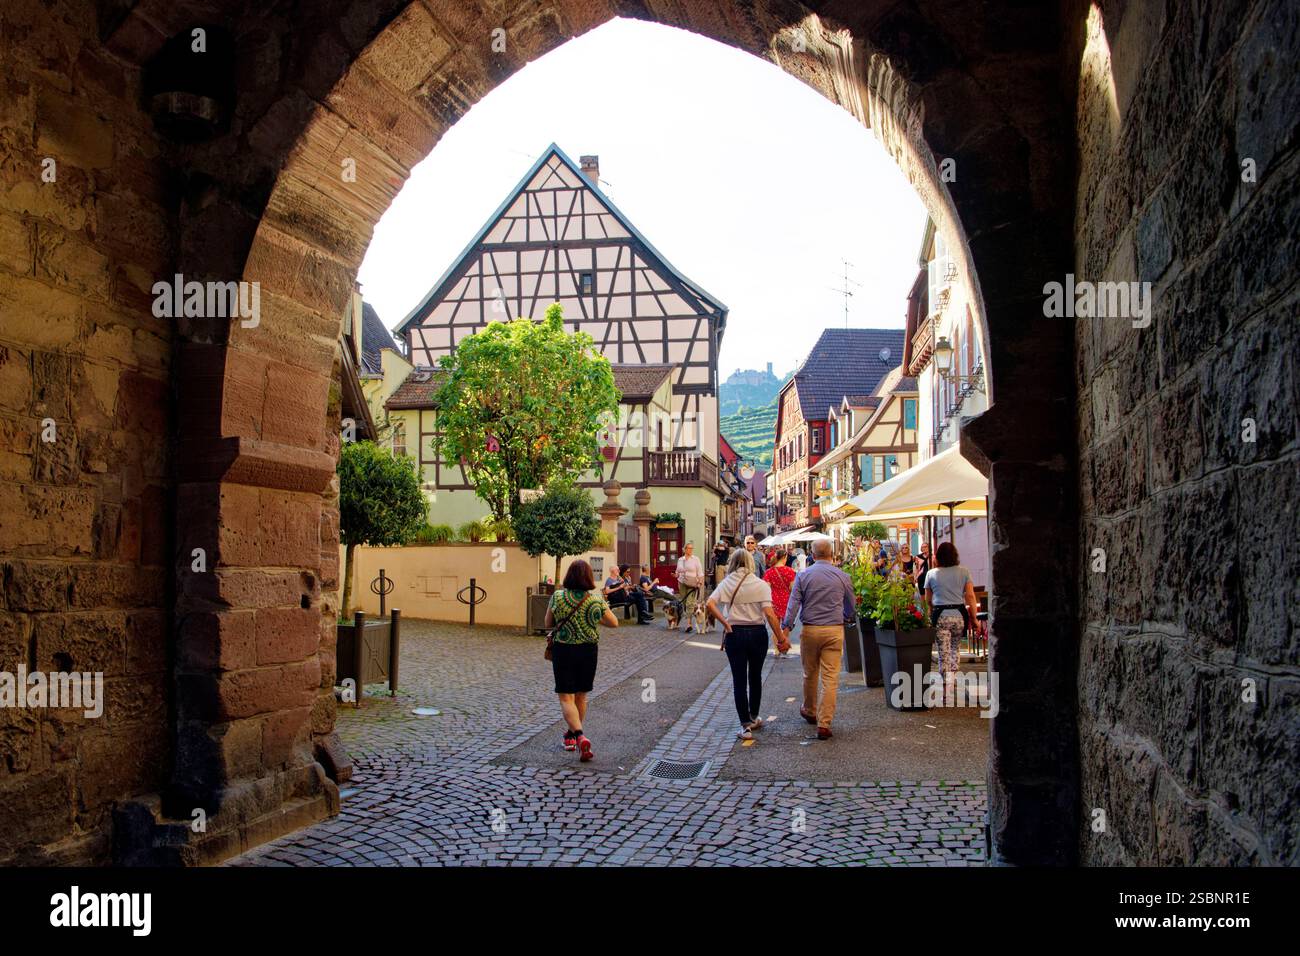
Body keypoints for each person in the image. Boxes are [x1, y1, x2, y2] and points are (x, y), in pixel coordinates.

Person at [706, 548, 789, 740]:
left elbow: (710, 603)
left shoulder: (727, 582)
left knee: (739, 680)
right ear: (751, 563)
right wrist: (781, 638)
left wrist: (725, 622)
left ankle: (745, 725)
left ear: (733, 563)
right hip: (757, 633)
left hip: (735, 633)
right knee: (755, 677)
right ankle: (753, 717)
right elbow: (769, 614)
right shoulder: (760, 584)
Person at [781, 538, 855, 740]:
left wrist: (785, 629)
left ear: (813, 556)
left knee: (810, 673)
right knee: (830, 678)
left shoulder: (803, 576)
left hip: (811, 630)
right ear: (831, 555)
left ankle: (810, 710)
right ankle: (824, 723)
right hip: (834, 630)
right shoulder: (842, 576)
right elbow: (851, 606)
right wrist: (847, 618)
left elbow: (793, 605)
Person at [545, 559, 618, 761]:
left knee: (566, 697)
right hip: (588, 651)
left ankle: (578, 735)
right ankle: (573, 735)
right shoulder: (594, 600)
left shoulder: (558, 596)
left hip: (564, 651)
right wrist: (595, 618)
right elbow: (614, 623)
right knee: (581, 696)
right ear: (588, 577)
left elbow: (547, 622)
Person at [923, 541, 982, 706]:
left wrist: (930, 610)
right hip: (959, 616)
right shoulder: (964, 572)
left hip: (940, 615)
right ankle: (952, 680)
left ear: (938, 556)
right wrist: (974, 618)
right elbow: (970, 596)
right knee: (955, 649)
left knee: (943, 652)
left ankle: (946, 685)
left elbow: (928, 599)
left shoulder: (931, 574)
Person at [763, 551, 797, 658]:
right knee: (786, 626)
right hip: (787, 601)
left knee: (775, 626)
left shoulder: (769, 572)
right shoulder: (790, 571)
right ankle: (784, 647)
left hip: (773, 601)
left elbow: (766, 587)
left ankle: (776, 649)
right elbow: (793, 588)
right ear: (785, 557)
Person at [674, 542, 706, 633]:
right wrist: (675, 575)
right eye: (688, 548)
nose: (690, 550)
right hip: (682, 582)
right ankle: (689, 619)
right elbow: (677, 572)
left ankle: (689, 624)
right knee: (684, 603)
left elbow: (700, 573)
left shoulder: (696, 559)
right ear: (684, 549)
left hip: (692, 584)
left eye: (692, 548)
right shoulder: (680, 560)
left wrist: (700, 582)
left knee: (690, 603)